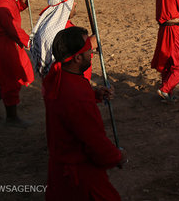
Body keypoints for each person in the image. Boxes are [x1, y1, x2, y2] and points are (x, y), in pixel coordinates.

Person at [45, 26, 126, 200]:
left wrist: (94, 95)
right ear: (77, 57)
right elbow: (94, 141)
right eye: (89, 50)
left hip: (59, 170)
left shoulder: (57, 75)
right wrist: (118, 156)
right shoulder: (75, 94)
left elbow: (68, 107)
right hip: (80, 175)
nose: (92, 53)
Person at [30, 0, 91, 80]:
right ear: (63, 7)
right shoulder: (61, 30)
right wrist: (91, 44)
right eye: (72, 2)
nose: (75, 3)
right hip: (69, 81)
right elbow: (75, 55)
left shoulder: (49, 25)